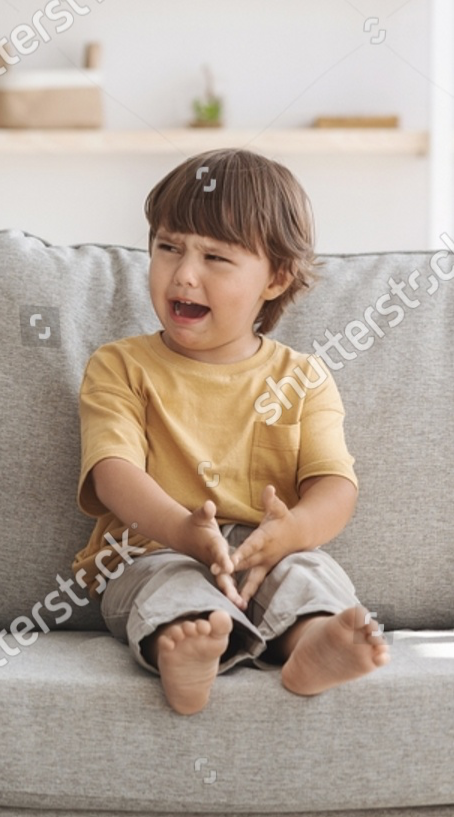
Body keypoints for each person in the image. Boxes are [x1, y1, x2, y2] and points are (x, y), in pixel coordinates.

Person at [71, 148, 389, 716]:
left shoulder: (305, 378)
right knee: (170, 586)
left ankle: (312, 646)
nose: (184, 273)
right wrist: (185, 531)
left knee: (310, 573)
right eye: (168, 247)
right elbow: (112, 472)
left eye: (216, 257)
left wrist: (289, 535)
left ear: (277, 278)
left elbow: (335, 489)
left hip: (266, 551)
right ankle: (189, 655)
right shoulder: (119, 366)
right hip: (152, 547)